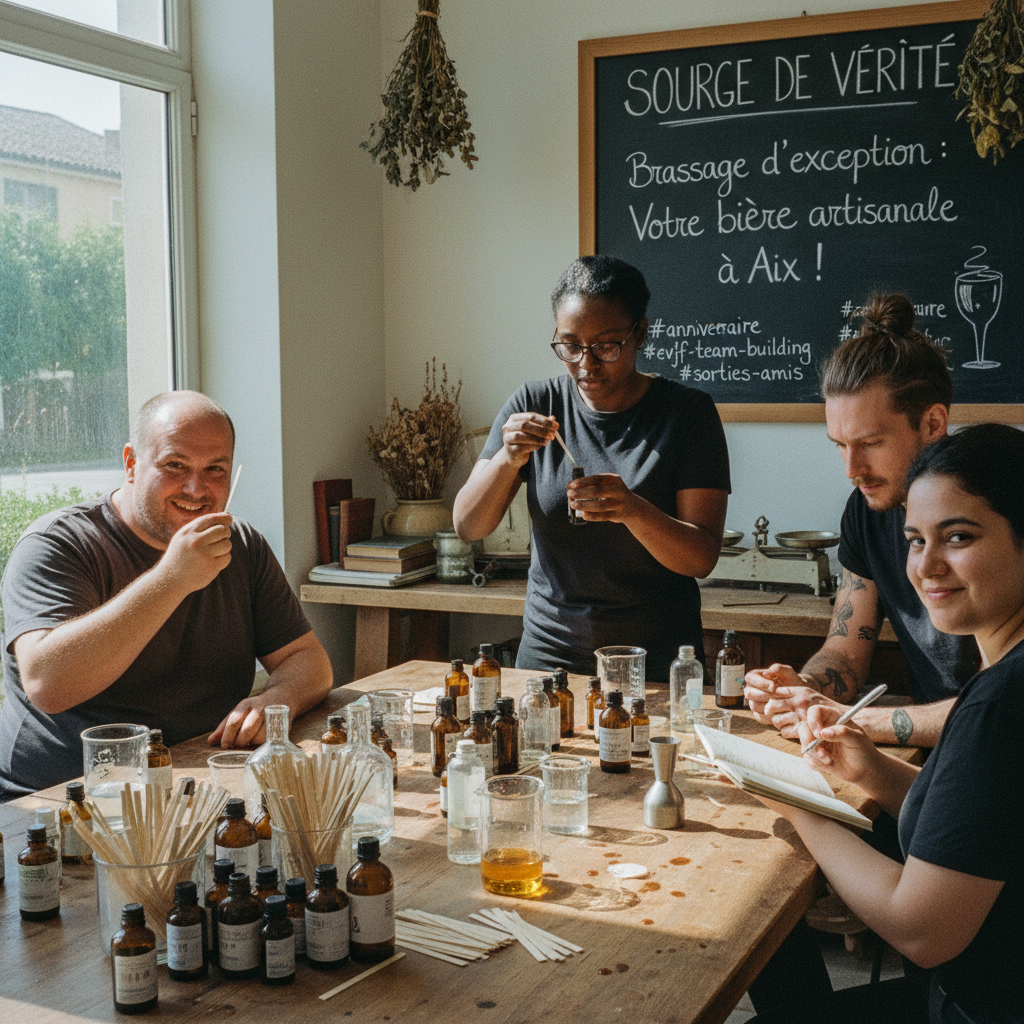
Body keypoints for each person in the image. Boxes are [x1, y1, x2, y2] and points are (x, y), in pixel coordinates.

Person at [744, 422, 1023, 1024]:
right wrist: (871, 772)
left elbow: (921, 929)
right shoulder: (1005, 675)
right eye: (915, 540)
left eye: (959, 536)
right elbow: (978, 823)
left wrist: (801, 810)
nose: (927, 567)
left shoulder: (1002, 702)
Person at [0, 391, 332, 800]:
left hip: (201, 787)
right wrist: (172, 579)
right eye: (175, 465)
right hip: (59, 802)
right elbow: (47, 683)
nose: (196, 488)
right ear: (131, 464)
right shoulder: (57, 544)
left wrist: (276, 700)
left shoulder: (241, 545)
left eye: (215, 469)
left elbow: (309, 661)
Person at [453, 255, 730, 680]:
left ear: (641, 333)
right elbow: (468, 526)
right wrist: (508, 460)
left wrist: (632, 510)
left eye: (605, 346)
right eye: (569, 345)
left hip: (653, 659)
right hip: (550, 656)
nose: (586, 363)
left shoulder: (687, 414)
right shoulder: (535, 403)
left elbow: (701, 558)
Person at [744, 294, 978, 748]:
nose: (852, 468)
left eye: (870, 442)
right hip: (937, 758)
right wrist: (806, 691)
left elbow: (1002, 706)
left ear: (932, 424)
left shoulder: (997, 508)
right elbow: (845, 653)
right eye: (839, 444)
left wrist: (856, 721)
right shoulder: (866, 510)